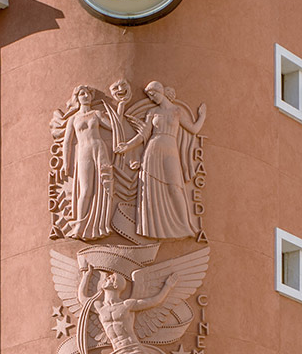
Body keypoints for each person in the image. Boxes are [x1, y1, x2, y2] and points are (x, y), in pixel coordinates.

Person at [115, 81, 206, 239]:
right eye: (149, 96)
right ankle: (154, 229)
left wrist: (202, 115)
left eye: (153, 94)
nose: (152, 98)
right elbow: (144, 134)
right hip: (153, 150)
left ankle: (186, 226)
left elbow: (193, 129)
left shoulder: (176, 111)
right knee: (150, 190)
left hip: (170, 150)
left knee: (175, 188)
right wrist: (127, 146)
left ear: (160, 91)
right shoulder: (152, 112)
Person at [76, 267, 178, 354]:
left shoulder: (126, 305)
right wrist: (86, 275)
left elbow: (154, 301)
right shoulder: (100, 307)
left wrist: (167, 286)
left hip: (134, 349)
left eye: (111, 278)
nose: (107, 278)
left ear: (115, 285)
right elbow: (82, 298)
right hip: (118, 350)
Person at [61, 85, 115, 239]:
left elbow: (113, 127)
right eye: (82, 94)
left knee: (103, 185)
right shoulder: (73, 119)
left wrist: (117, 111)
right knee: (85, 189)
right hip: (83, 151)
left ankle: (100, 223)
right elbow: (67, 142)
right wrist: (66, 163)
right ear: (77, 98)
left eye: (88, 93)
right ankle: (80, 224)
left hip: (99, 148)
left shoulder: (96, 114)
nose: (85, 96)